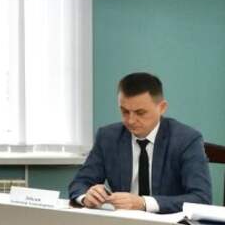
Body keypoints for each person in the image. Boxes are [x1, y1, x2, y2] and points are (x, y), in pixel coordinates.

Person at [68, 72, 211, 214]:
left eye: (140, 113)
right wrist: (86, 197)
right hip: (122, 223)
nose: (131, 120)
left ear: (162, 108)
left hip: (167, 223)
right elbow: (79, 183)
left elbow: (201, 198)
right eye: (125, 111)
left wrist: (143, 203)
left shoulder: (186, 139)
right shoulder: (108, 137)